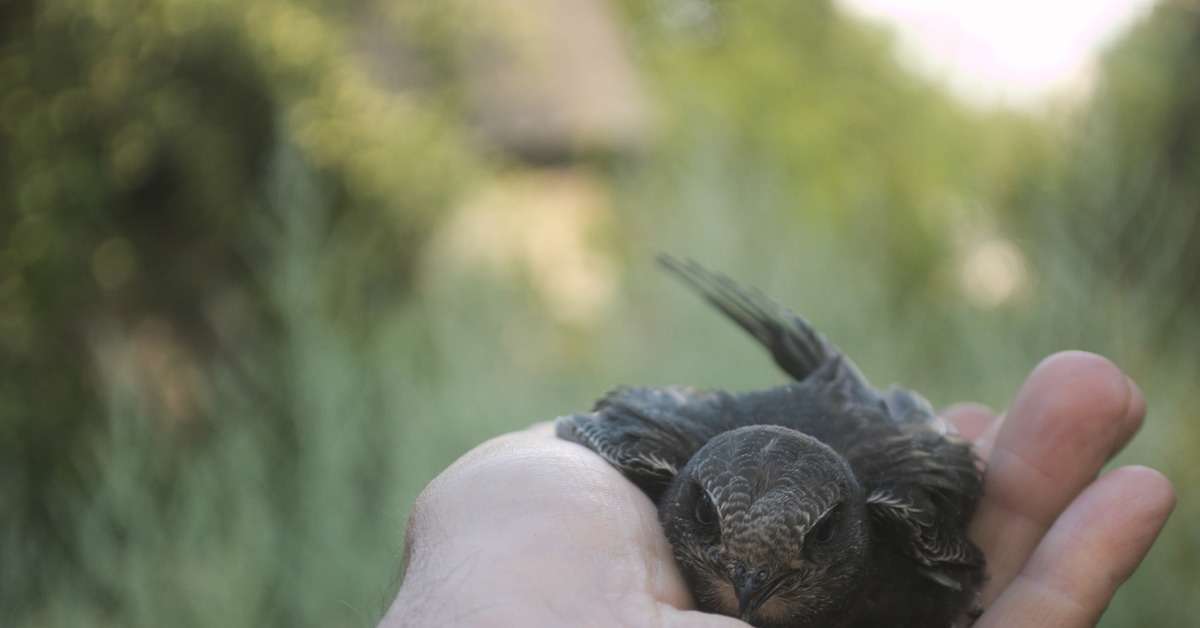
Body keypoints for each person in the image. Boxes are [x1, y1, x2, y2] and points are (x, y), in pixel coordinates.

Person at [380, 351, 1175, 627]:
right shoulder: (652, 464)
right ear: (681, 494)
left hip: (856, 425)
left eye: (808, 544)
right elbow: (593, 428)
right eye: (714, 532)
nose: (749, 582)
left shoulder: (898, 503)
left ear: (851, 525)